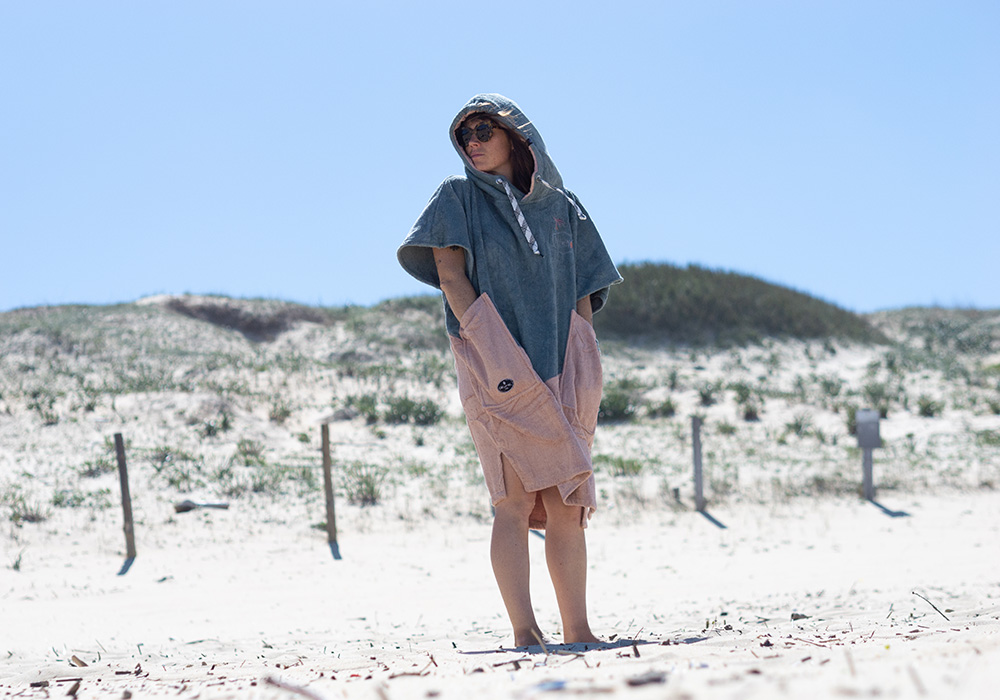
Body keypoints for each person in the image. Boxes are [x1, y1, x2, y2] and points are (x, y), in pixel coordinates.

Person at [397, 93, 621, 648]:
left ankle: (579, 631)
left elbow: (584, 292)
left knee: (568, 503)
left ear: (516, 134)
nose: (471, 143)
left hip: (563, 363)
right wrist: (489, 346)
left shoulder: (566, 208)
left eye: (482, 131)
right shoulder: (457, 197)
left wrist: (581, 352)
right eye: (464, 135)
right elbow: (450, 275)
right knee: (514, 502)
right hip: (494, 360)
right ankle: (525, 631)